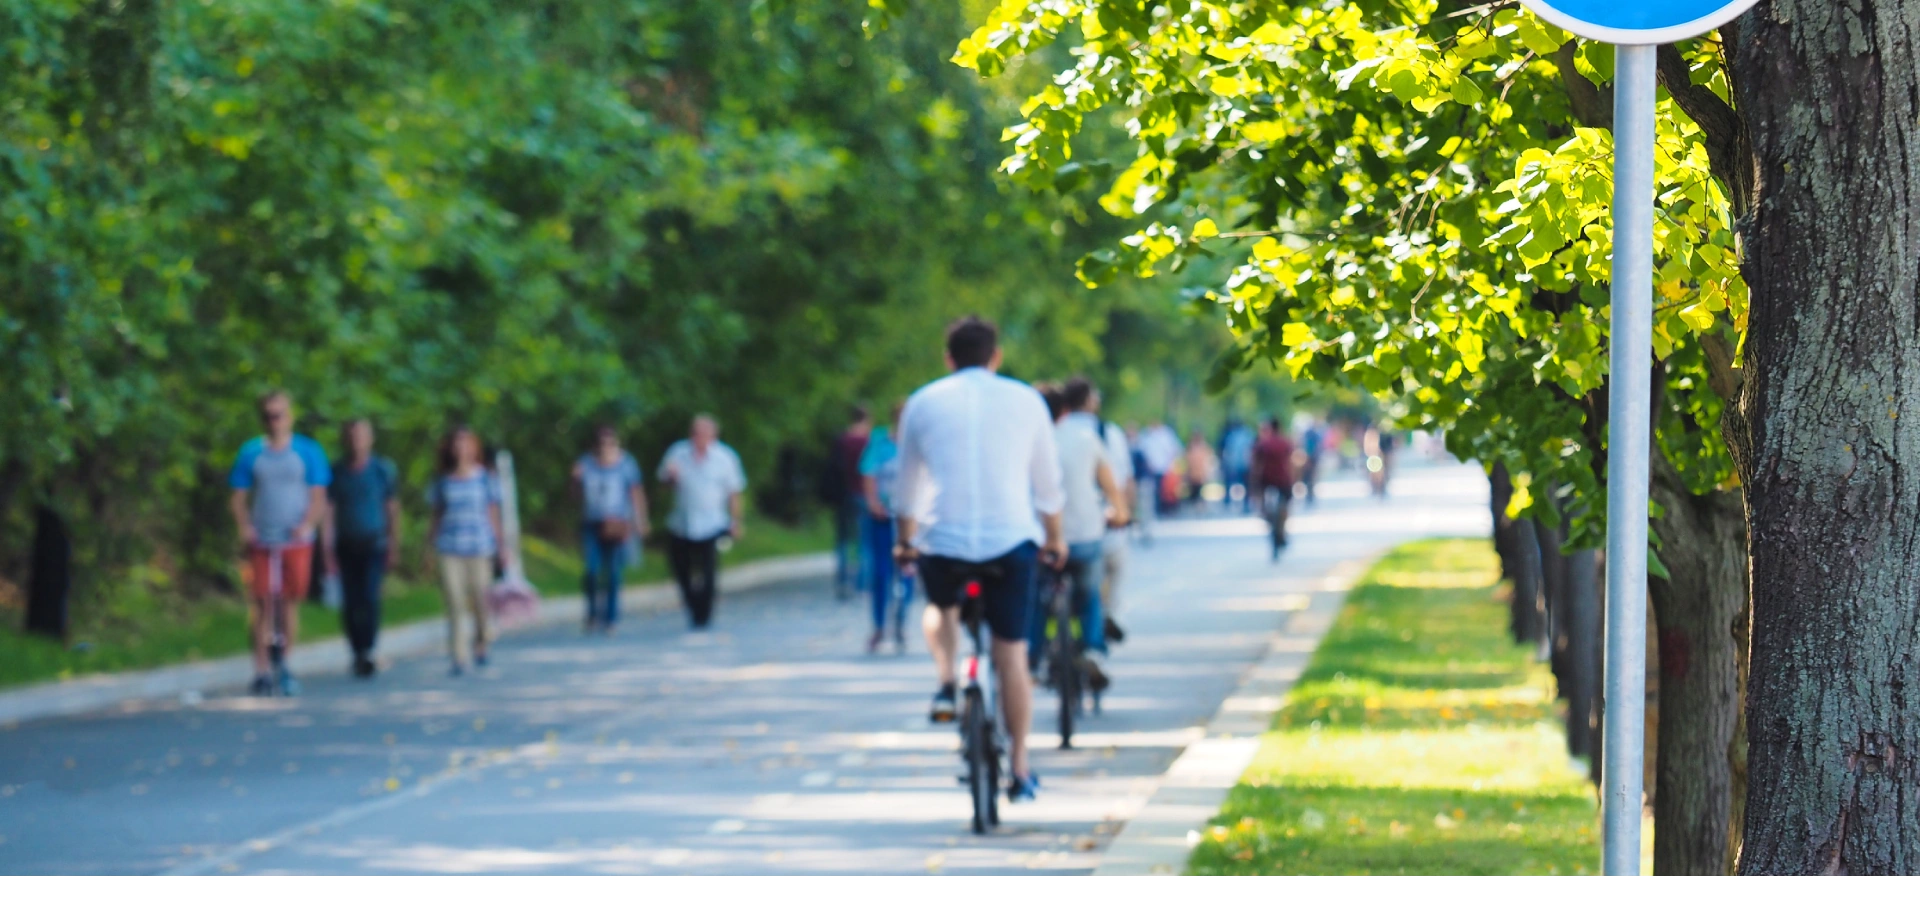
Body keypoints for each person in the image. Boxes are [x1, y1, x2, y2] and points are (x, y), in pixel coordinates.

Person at [893, 316, 1066, 803]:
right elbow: (1049, 488)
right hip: (1011, 543)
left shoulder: (922, 403)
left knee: (939, 609)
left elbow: (907, 489)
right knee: (1010, 654)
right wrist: (1055, 538)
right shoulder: (1026, 400)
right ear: (997, 356)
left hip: (942, 542)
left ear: (948, 358)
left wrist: (905, 540)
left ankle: (948, 681)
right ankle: (1019, 764)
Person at [229, 390, 331, 697]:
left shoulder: (307, 451)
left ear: (290, 415)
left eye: (281, 414)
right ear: (263, 419)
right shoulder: (251, 453)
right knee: (261, 603)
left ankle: (284, 665)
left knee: (287, 602)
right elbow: (237, 497)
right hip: (263, 539)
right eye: (269, 416)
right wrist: (245, 527)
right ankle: (260, 670)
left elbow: (319, 496)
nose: (276, 421)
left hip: (295, 541)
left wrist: (307, 524)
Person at [1035, 377, 1131, 683]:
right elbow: (1110, 484)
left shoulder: (1035, 440)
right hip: (1086, 534)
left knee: (1037, 598)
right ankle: (1092, 649)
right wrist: (1120, 513)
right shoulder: (1089, 437)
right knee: (1090, 595)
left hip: (1043, 539)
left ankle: (1033, 657)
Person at [426, 425, 505, 676]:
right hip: (450, 547)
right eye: (456, 443)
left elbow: (493, 515)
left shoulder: (485, 478)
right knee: (454, 601)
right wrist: (428, 548)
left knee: (481, 601)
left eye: (466, 442)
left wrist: (502, 547)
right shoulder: (442, 481)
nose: (461, 448)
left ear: (474, 446)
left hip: (479, 547)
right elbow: (436, 517)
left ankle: (481, 642)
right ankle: (458, 656)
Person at [325, 419, 400, 679]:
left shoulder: (382, 469)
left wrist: (393, 543)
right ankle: (356, 650)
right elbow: (328, 512)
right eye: (352, 435)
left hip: (374, 543)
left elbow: (391, 508)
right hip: (346, 545)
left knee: (369, 597)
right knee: (350, 600)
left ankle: (369, 648)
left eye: (361, 435)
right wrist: (327, 549)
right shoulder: (336, 471)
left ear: (371, 438)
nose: (357, 440)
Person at [658, 415, 747, 629]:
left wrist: (736, 521)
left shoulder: (725, 457)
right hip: (682, 522)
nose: (699, 437)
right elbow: (663, 485)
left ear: (713, 435)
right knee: (682, 569)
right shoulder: (677, 453)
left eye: (705, 433)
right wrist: (671, 477)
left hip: (712, 523)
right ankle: (692, 604)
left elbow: (734, 492)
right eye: (696, 433)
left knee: (708, 571)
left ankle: (704, 614)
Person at [574, 425, 648, 635]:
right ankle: (592, 614)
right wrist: (575, 479)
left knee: (614, 571)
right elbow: (574, 498)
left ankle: (611, 618)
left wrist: (640, 521)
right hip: (592, 523)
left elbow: (635, 493)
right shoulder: (585, 464)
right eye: (601, 443)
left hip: (618, 524)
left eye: (610, 442)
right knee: (592, 569)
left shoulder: (626, 464)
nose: (605, 447)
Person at [858, 401, 915, 654]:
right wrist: (874, 504)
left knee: (908, 570)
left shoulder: (918, 445)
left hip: (911, 519)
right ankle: (879, 626)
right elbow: (868, 475)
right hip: (883, 517)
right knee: (881, 573)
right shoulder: (880, 443)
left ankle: (902, 622)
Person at [828, 406, 873, 600]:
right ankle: (862, 584)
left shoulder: (841, 440)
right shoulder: (869, 442)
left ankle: (843, 581)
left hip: (844, 495)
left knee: (843, 540)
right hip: (864, 494)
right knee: (864, 541)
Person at [1251, 417, 1297, 554]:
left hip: (1266, 480)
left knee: (1264, 508)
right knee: (1285, 507)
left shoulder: (1263, 444)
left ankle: (1270, 521)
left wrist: (1254, 483)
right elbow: (1292, 462)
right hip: (1283, 480)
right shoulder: (1286, 443)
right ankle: (1281, 529)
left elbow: (1255, 464)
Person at [1219, 418, 1256, 514]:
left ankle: (1227, 501)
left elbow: (1227, 450)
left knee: (1230, 483)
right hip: (1246, 463)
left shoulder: (1232, 435)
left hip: (1234, 464)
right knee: (1246, 485)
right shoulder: (1248, 434)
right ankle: (1246, 505)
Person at [1183, 430, 1219, 508]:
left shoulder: (1200, 447)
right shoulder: (1192, 447)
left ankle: (1197, 504)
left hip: (1199, 472)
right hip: (1194, 472)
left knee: (1198, 489)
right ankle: (1196, 504)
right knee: (1194, 489)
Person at [1300, 420, 1325, 506]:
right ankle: (1309, 492)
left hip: (1310, 458)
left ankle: (1309, 492)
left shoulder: (1308, 435)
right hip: (1311, 458)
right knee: (1309, 477)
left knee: (1308, 477)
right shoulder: (1313, 434)